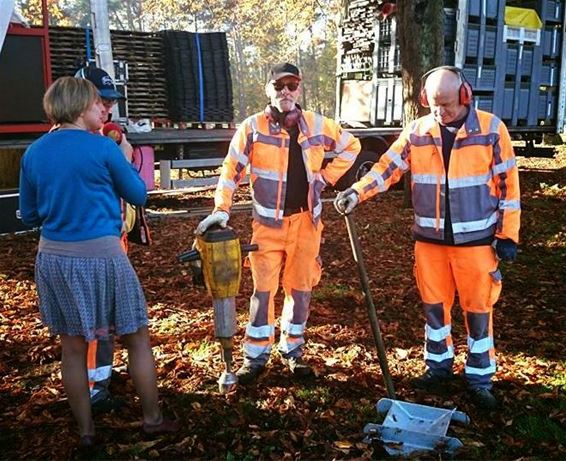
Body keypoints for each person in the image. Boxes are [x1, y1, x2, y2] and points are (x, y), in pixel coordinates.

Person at [334, 66, 520, 410]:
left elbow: (509, 186)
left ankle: (480, 378)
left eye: (447, 105)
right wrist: (357, 192)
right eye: (433, 105)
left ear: (465, 96)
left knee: (479, 311)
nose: (440, 112)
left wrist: (507, 235)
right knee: (434, 311)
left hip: (476, 244)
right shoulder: (418, 131)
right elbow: (387, 168)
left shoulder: (492, 130)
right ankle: (438, 368)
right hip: (430, 243)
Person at [19, 77, 177, 447]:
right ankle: (152, 418)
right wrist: (124, 160)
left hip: (55, 257)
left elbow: (28, 215)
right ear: (77, 109)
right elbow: (139, 193)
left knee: (72, 347)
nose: (101, 111)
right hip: (104, 255)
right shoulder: (102, 149)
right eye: (95, 105)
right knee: (136, 337)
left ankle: (86, 431)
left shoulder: (34, 153)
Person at [196, 63, 361, 384]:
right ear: (268, 89)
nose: (285, 91)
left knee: (301, 289)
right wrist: (221, 209)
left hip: (306, 223)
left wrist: (324, 179)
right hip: (268, 226)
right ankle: (256, 356)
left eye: (292, 85)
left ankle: (292, 350)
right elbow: (231, 171)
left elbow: (351, 147)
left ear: (299, 89)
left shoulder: (316, 124)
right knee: (263, 290)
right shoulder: (253, 128)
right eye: (279, 86)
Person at [74, 65, 134, 412]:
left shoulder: (101, 137)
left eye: (111, 101)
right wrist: (123, 155)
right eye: (102, 100)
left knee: (106, 316)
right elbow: (133, 186)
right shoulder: (82, 144)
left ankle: (101, 376)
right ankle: (95, 387)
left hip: (113, 240)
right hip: (94, 246)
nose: (108, 108)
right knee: (94, 317)